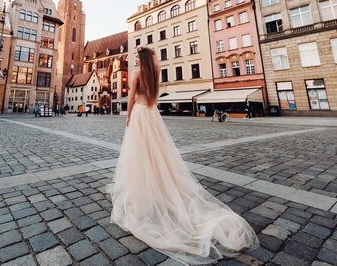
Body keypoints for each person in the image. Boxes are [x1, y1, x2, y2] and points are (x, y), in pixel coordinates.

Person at [107, 46, 258, 265]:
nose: (135, 61)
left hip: (140, 114)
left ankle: (143, 190)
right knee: (157, 154)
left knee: (139, 155)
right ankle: (159, 184)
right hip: (152, 113)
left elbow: (130, 97)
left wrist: (128, 117)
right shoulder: (155, 72)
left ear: (141, 59)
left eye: (137, 58)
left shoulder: (137, 73)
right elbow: (154, 96)